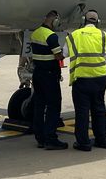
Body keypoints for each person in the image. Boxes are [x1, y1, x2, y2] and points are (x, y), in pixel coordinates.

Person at [66, 10, 106, 152]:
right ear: (98, 22)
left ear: (83, 20)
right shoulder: (103, 35)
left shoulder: (74, 35)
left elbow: (65, 52)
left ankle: (83, 143)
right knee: (99, 109)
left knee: (82, 112)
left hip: (82, 79)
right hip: (100, 78)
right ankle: (102, 140)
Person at [30, 10, 67, 150]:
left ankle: (40, 138)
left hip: (37, 73)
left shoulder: (35, 33)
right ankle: (51, 138)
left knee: (39, 105)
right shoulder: (51, 36)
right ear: (55, 21)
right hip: (49, 75)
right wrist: (65, 51)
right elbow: (58, 56)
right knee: (54, 105)